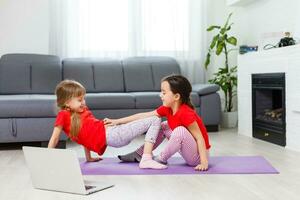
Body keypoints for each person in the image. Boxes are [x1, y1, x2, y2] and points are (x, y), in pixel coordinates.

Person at [48, 80, 167, 169]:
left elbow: (85, 136)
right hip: (115, 135)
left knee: (154, 119)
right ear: (67, 102)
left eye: (84, 99)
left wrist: (88, 158)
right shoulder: (63, 115)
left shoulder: (82, 111)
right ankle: (146, 158)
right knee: (155, 119)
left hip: (115, 132)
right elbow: (55, 138)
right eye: (80, 100)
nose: (83, 102)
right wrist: (47, 156)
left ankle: (142, 155)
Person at [105, 75, 210, 171]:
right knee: (163, 125)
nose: (160, 95)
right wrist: (116, 121)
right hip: (188, 150)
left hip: (199, 157)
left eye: (164, 93)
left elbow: (200, 138)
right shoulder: (167, 109)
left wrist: (204, 162)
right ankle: (140, 154)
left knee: (180, 131)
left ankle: (161, 158)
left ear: (176, 97)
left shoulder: (185, 113)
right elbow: (143, 115)